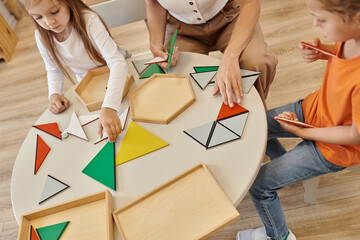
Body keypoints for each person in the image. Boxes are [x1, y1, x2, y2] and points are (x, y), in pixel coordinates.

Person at [237, 0, 360, 239]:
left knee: (258, 186)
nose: (314, 23)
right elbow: (347, 59)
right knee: (258, 125)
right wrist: (324, 50)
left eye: (322, 19)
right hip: (314, 110)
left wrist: (304, 133)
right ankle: (284, 163)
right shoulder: (352, 35)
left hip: (334, 148)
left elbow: (355, 135)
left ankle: (278, 235)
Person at [20, 0, 129, 142]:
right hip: (90, 88)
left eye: (54, 12)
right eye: (38, 17)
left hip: (121, 78)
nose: (49, 22)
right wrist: (54, 94)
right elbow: (53, 69)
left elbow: (117, 62)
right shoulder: (41, 36)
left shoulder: (89, 21)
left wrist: (109, 107)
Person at [145, 0, 277, 108]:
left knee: (254, 62)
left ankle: (259, 119)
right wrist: (156, 44)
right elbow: (153, 3)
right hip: (182, 29)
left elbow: (250, 3)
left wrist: (231, 56)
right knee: (176, 80)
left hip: (229, 16)